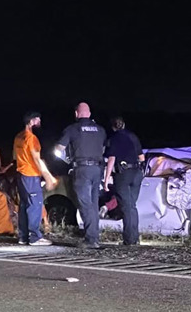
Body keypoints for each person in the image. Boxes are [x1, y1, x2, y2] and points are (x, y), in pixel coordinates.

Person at [55, 102, 107, 248]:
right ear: (89, 114)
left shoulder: (72, 129)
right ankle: (95, 237)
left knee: (85, 203)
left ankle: (91, 239)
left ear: (76, 114)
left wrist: (66, 160)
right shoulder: (100, 130)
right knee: (94, 204)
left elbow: (59, 149)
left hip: (82, 169)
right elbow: (103, 149)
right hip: (97, 169)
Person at [13, 111, 58, 246]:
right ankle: (35, 237)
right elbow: (37, 160)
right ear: (32, 121)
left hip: (21, 174)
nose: (39, 121)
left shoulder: (18, 137)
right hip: (31, 175)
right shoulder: (31, 138)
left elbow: (15, 157)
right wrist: (48, 177)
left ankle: (23, 236)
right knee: (35, 205)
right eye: (37, 119)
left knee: (24, 205)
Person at [103, 116, 145, 246]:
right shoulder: (133, 137)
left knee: (127, 207)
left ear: (113, 127)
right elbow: (142, 158)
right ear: (124, 124)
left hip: (123, 174)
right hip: (136, 173)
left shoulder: (114, 139)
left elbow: (111, 159)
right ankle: (135, 238)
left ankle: (129, 240)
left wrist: (106, 179)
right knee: (132, 206)